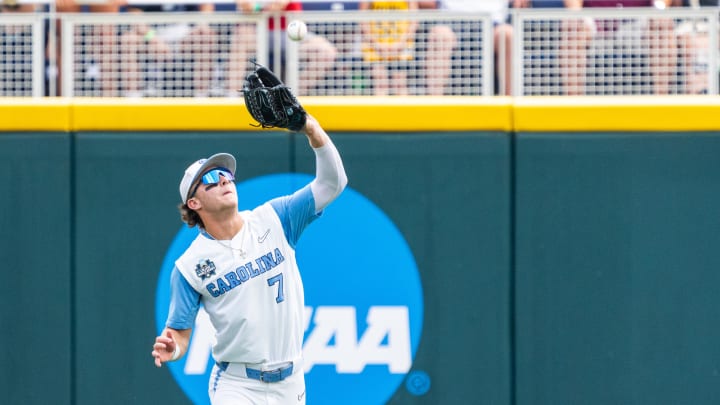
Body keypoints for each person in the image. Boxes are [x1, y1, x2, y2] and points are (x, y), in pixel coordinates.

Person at [151, 113, 348, 405]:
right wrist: (174, 348)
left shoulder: (276, 218)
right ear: (194, 203)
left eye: (226, 175)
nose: (223, 180)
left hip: (291, 382)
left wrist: (311, 129)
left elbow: (333, 183)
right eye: (210, 179)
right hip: (237, 385)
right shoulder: (189, 266)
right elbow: (179, 333)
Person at [227, 0, 337, 96]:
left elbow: (277, 4)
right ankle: (232, 96)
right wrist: (253, 7)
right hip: (260, 33)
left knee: (327, 52)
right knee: (240, 35)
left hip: (292, 34)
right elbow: (244, 5)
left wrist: (256, 8)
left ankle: (289, 96)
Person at [119, 3, 217, 97]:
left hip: (185, 34)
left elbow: (206, 6)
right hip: (153, 33)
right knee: (128, 39)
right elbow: (135, 13)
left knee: (206, 36)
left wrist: (201, 27)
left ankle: (202, 97)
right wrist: (153, 38)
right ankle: (133, 97)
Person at [420, 0, 515, 95]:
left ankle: (511, 102)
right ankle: (435, 103)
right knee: (439, 34)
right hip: (450, 23)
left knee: (508, 33)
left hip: (491, 25)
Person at [359, 0, 419, 96]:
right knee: (380, 82)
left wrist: (401, 44)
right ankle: (380, 111)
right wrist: (376, 44)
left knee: (400, 83)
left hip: (401, 45)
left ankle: (404, 111)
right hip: (376, 46)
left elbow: (414, 20)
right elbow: (363, 20)